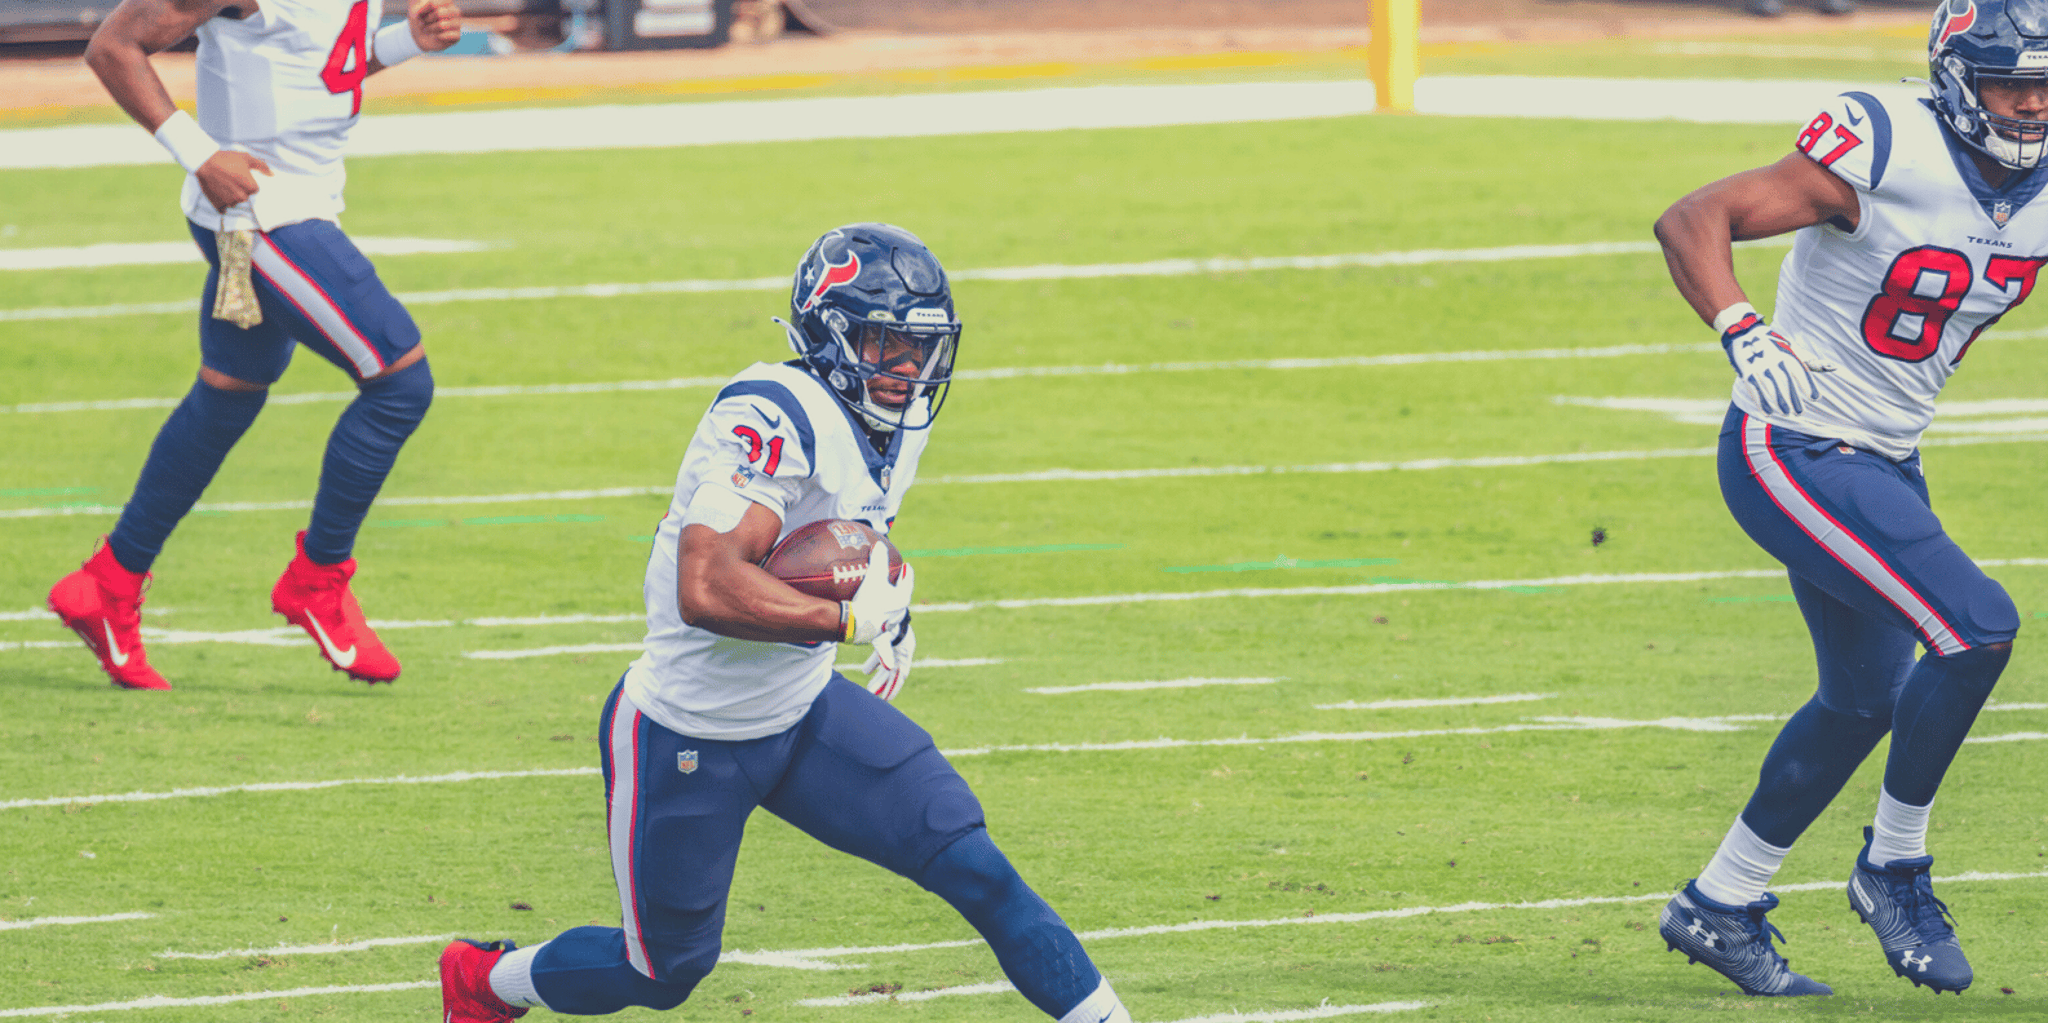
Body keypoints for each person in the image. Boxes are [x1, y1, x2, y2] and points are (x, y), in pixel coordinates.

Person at [437, 224, 1137, 1023]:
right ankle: (486, 981)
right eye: (885, 344)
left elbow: (842, 533)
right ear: (829, 331)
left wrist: (890, 591)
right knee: (664, 973)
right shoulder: (772, 412)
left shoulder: (894, 421)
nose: (908, 371)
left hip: (804, 713)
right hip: (687, 730)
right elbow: (704, 583)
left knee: (975, 865)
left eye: (921, 349)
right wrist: (843, 618)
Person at [1648, 0, 2037, 998]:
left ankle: (1718, 903)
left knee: (1862, 696)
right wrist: (1742, 329)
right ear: (1957, 82)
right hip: (1793, 443)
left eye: (2045, 88)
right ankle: (1891, 866)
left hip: (1884, 453)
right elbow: (1693, 217)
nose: (2030, 107)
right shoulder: (1885, 141)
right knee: (1975, 628)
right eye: (2008, 85)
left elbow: (1955, 311)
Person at [47, 0, 462, 689]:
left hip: (291, 205)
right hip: (261, 216)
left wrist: (403, 43)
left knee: (230, 393)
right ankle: (318, 580)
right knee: (398, 383)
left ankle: (109, 581)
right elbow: (113, 46)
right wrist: (199, 151)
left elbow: (317, 68)